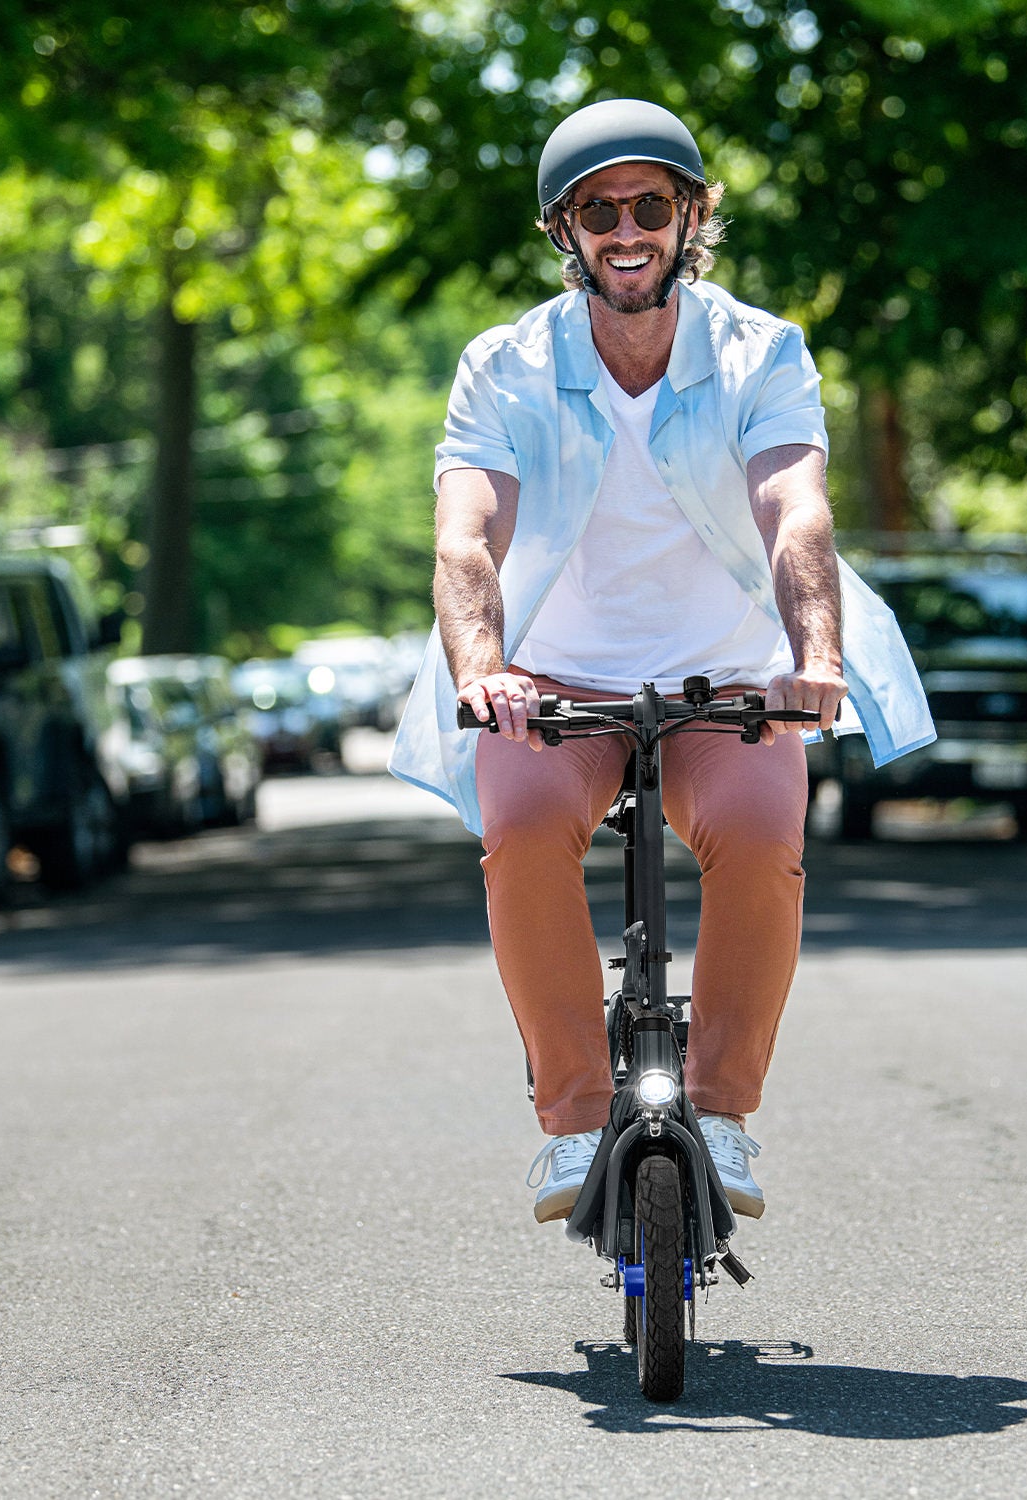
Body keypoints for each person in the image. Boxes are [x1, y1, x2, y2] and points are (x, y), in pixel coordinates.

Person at [390, 99, 934, 1223]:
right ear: (564, 232)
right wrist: (484, 668)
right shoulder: (504, 366)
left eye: (651, 205)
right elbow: (465, 538)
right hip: (549, 685)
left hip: (728, 682)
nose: (626, 230)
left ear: (693, 218)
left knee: (763, 834)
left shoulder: (761, 351)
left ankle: (723, 1107)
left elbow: (796, 515)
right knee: (524, 828)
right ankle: (573, 1119)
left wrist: (814, 657)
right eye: (600, 211)